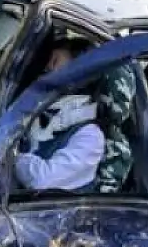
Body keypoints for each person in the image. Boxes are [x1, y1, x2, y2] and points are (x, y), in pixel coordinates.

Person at [13, 36, 105, 192]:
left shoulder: (90, 137)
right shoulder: (33, 112)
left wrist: (10, 156)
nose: (46, 69)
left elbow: (42, 180)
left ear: (80, 73)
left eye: (54, 61)